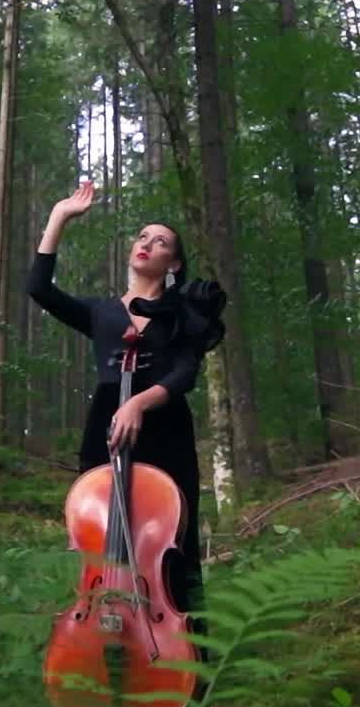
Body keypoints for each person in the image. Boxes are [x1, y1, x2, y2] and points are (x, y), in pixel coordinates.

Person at [27, 180, 225, 618]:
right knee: (102, 541)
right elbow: (40, 288)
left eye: (161, 243)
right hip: (106, 426)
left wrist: (138, 403)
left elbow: (184, 372)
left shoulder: (183, 312)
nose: (147, 244)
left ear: (172, 262)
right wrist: (59, 216)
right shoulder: (102, 312)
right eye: (142, 237)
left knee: (169, 544)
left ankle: (182, 655)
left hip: (164, 426)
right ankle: (103, 640)